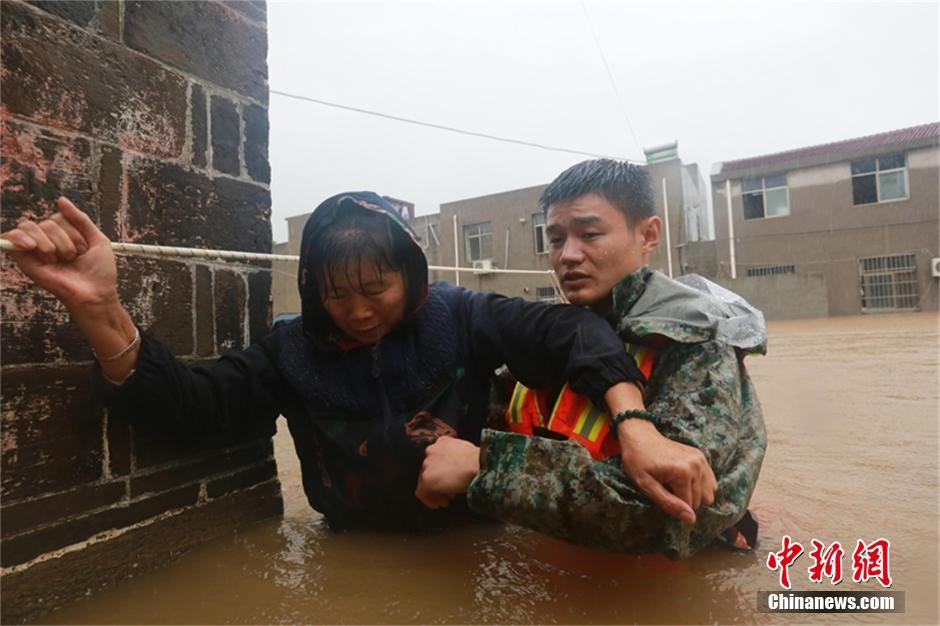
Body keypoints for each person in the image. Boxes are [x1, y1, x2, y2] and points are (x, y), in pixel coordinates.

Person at [2, 191, 715, 532]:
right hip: (352, 544)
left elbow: (575, 336)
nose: (359, 311)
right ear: (314, 291)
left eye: (376, 289)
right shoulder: (291, 348)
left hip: (472, 537)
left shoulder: (463, 316)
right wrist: (99, 308)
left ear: (411, 274)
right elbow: (190, 407)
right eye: (336, 294)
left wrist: (637, 427)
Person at [416, 160, 767, 558]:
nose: (568, 255)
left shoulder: (694, 343)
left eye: (590, 234)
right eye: (555, 239)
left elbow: (674, 516)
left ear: (648, 235)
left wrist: (487, 468)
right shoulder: (542, 338)